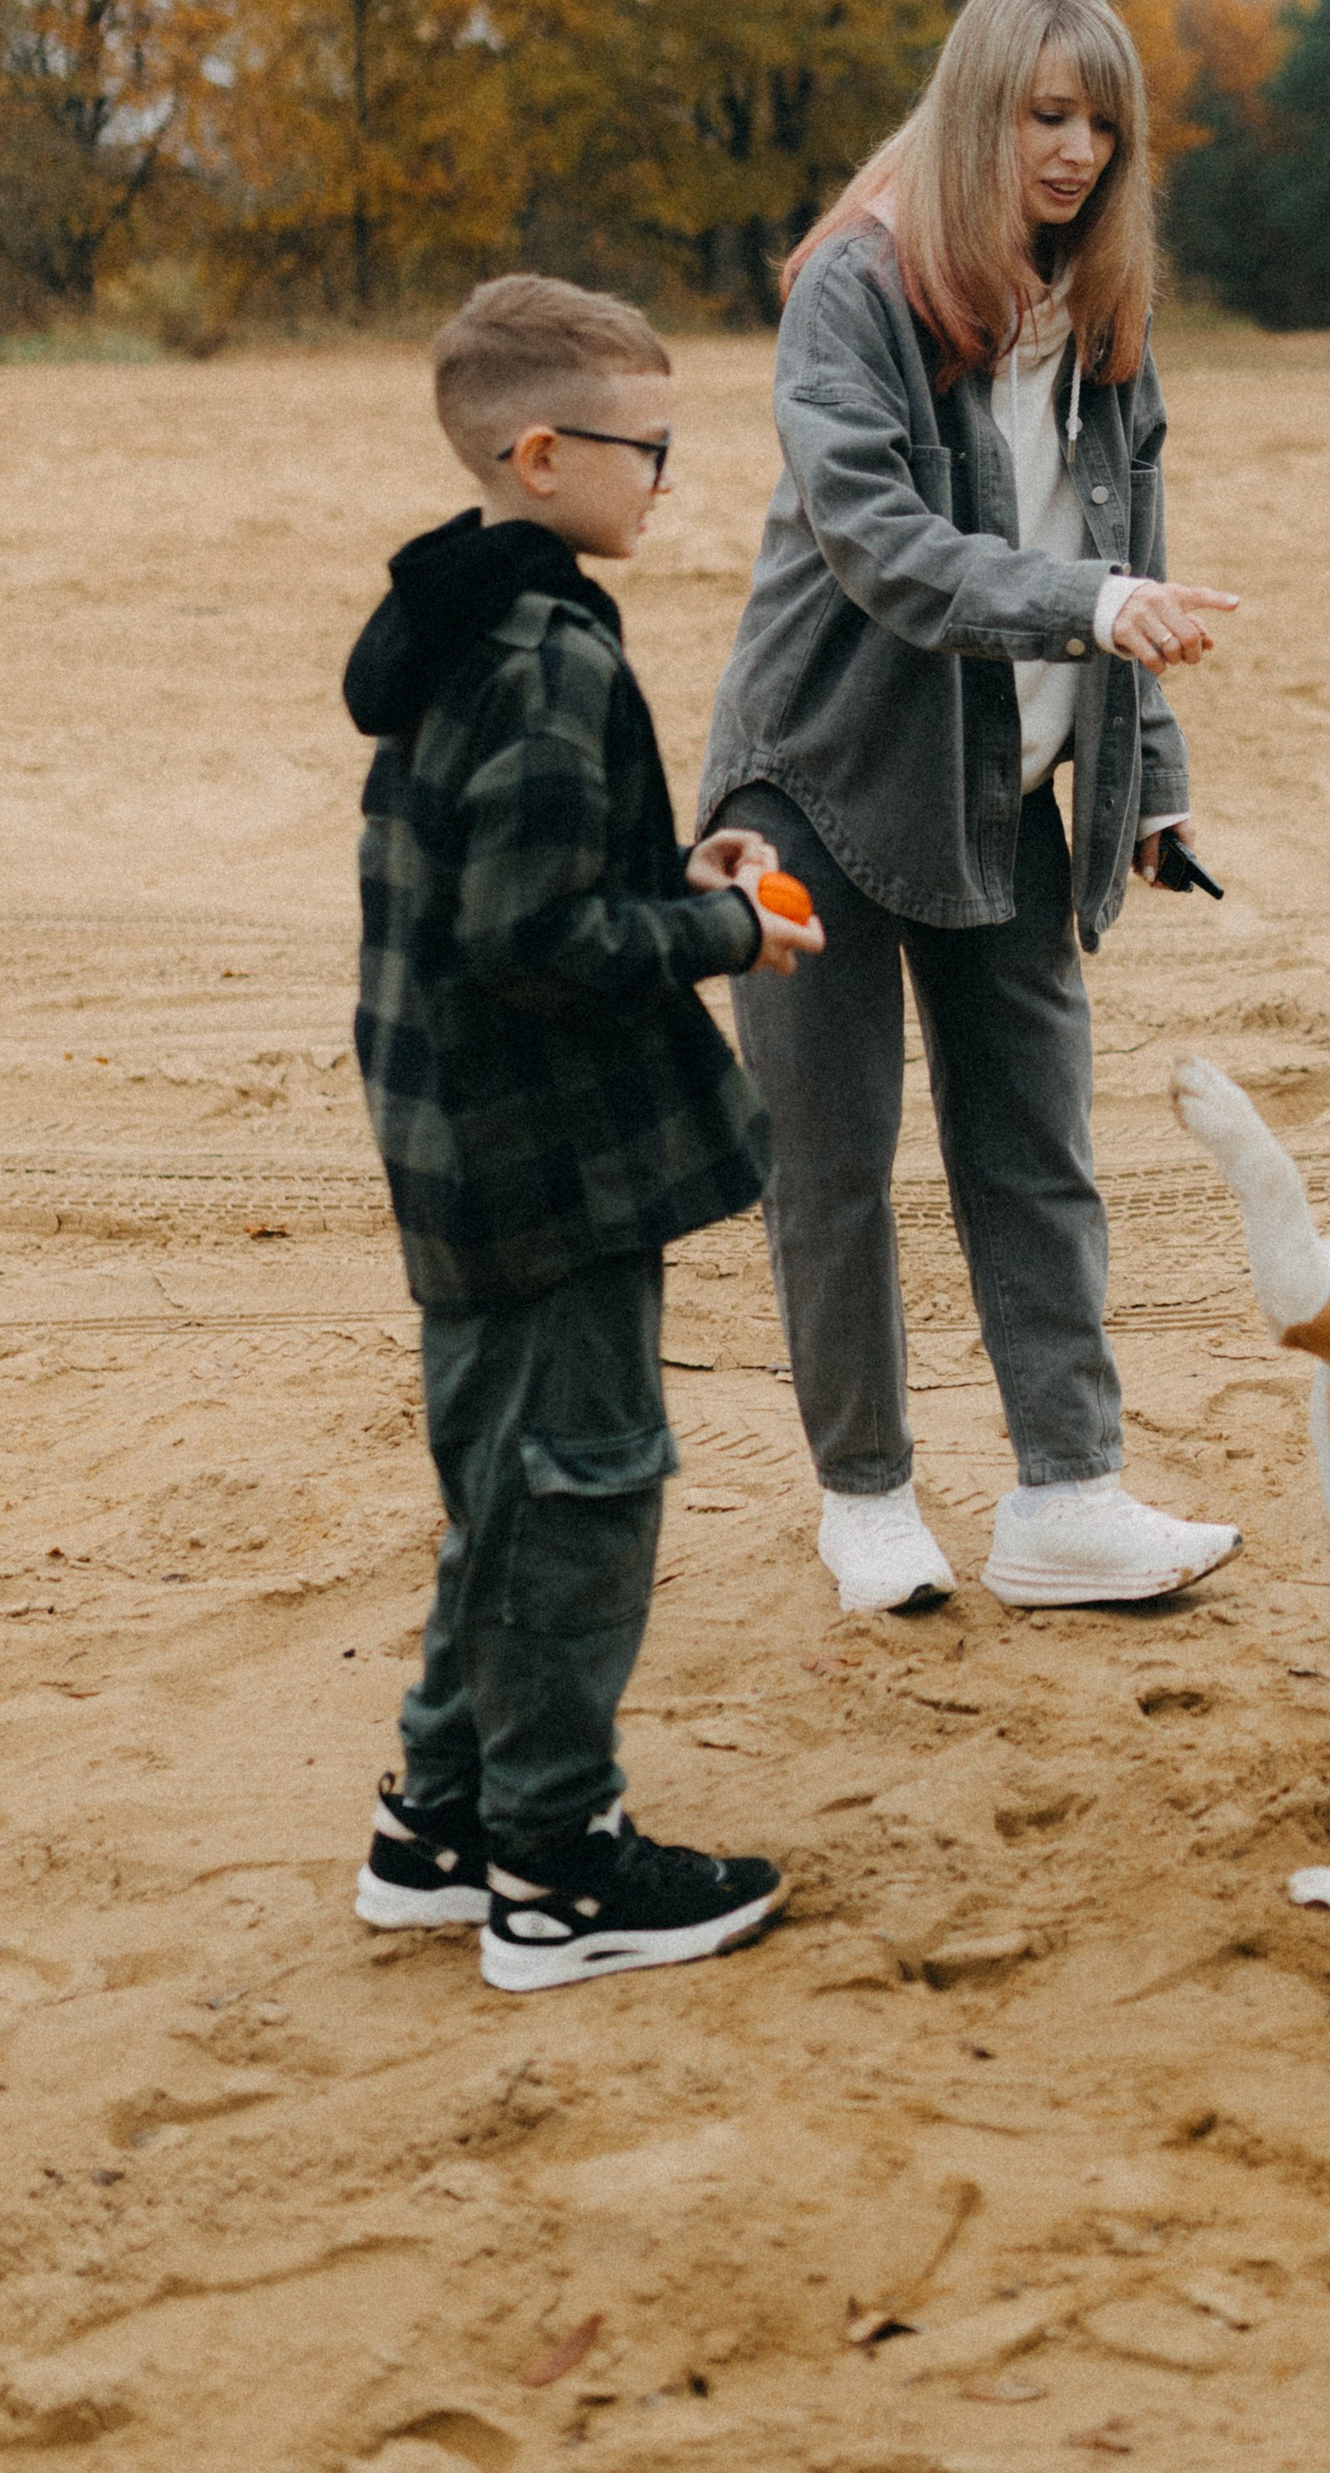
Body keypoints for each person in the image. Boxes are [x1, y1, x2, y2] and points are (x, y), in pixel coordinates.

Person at [699, 0, 1242, 1616]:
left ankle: (1067, 1495)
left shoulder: (1102, 312)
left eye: (1100, 122)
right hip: (817, 778)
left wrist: (1148, 776)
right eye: (1041, 113)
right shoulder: (854, 293)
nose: (1073, 151)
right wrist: (1083, 609)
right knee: (833, 1159)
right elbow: (878, 544)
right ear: (975, 108)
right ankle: (866, 1498)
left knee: (1035, 1143)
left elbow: (1125, 553)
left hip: (1003, 784)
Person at [343, 273, 824, 1991]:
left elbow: (519, 885)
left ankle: (439, 1819)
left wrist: (663, 877)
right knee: (581, 1492)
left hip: (459, 1148)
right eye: (651, 449)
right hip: (546, 1163)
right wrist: (725, 932)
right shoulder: (547, 654)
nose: (670, 480)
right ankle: (552, 1867)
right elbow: (529, 941)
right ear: (542, 453)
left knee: (499, 1490)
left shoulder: (459, 618)